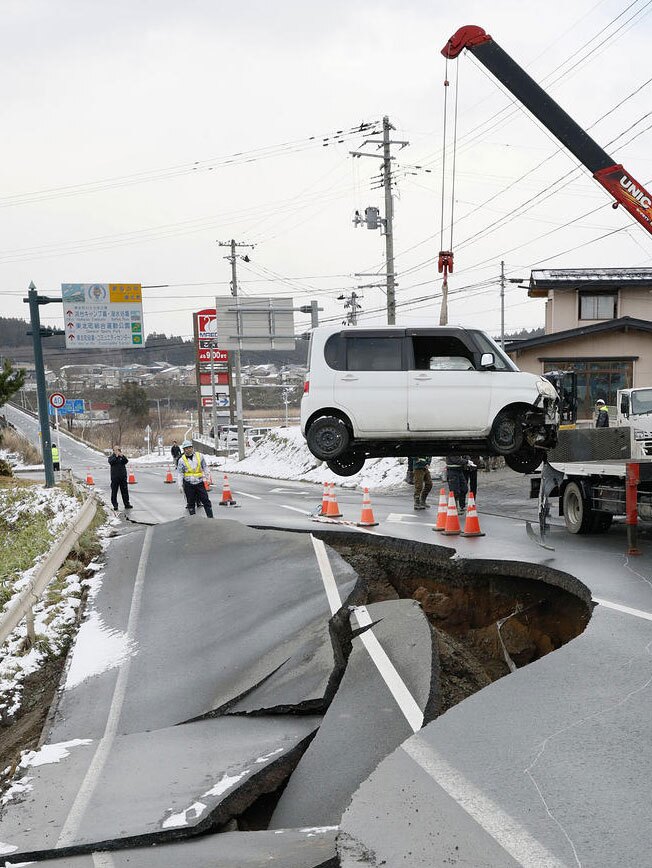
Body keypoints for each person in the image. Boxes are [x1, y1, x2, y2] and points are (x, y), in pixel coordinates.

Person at [176, 439, 213, 517]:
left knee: (206, 500)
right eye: (186, 448)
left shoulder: (199, 456)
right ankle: (193, 519)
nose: (188, 450)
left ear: (192, 448)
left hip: (199, 482)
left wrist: (208, 478)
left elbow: (205, 467)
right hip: (188, 484)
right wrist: (180, 485)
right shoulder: (181, 460)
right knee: (191, 503)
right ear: (184, 450)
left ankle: (210, 517)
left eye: (189, 447)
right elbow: (180, 473)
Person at [108, 446, 132, 513]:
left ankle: (127, 504)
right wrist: (116, 456)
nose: (117, 451)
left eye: (118, 450)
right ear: (113, 451)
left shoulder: (121, 457)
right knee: (114, 492)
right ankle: (115, 505)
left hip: (123, 477)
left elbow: (126, 461)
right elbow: (111, 462)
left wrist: (122, 456)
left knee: (125, 491)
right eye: (115, 450)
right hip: (115, 478)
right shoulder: (111, 457)